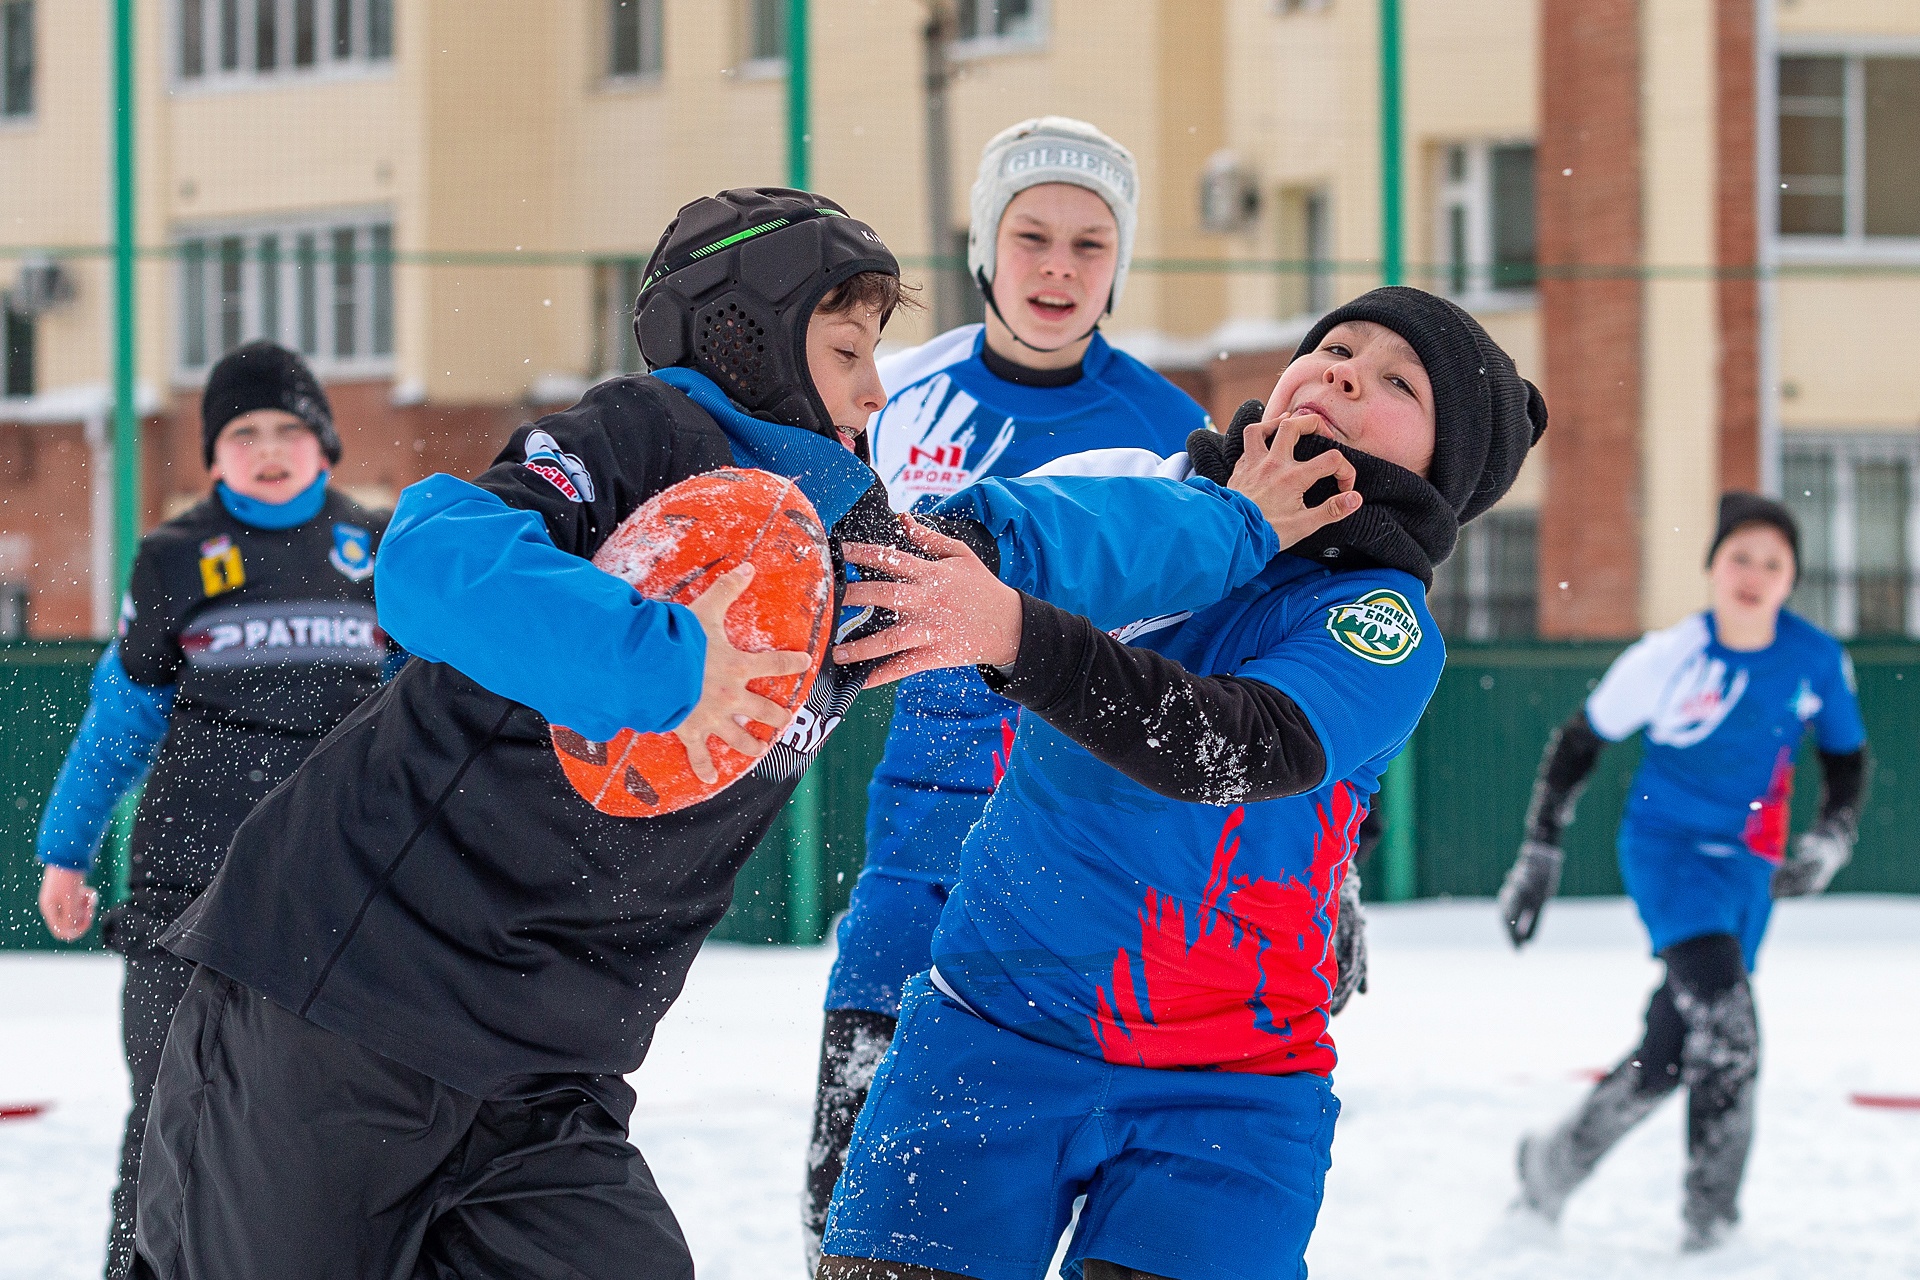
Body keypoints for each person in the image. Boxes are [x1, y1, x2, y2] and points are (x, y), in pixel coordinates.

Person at [127, 188, 1322, 1280]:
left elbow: (1033, 534)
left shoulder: (852, 549)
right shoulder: (642, 441)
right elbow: (434, 555)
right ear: (745, 335)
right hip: (335, 1002)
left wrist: (1233, 524)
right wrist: (664, 663)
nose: (876, 392)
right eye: (848, 350)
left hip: (550, 1074)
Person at [814, 286, 1548, 1280]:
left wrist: (1013, 633)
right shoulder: (1141, 480)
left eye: (1396, 381)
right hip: (992, 1023)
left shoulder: (1384, 622)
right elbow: (992, 538)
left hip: (1231, 1085)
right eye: (1335, 345)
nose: (1343, 370)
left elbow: (1228, 747)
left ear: (1439, 467)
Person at [805, 116, 1211, 1264]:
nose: (1059, 267)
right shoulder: (893, 395)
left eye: (1092, 243)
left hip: (1080, 878)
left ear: (1120, 266)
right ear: (985, 247)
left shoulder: (1171, 435)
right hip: (916, 850)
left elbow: (1225, 661)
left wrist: (1332, 869)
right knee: (855, 1212)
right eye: (1032, 234)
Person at [31, 341, 391, 1280]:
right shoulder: (174, 559)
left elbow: (425, 719)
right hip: (185, 889)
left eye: (288, 428)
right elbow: (121, 721)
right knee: (165, 1118)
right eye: (243, 433)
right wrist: (66, 852)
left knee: (323, 1122)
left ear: (324, 441)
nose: (268, 449)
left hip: (335, 888)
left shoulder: (380, 552)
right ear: (212, 453)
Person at [1497, 491, 1869, 1253]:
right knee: (1730, 1031)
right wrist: (1542, 850)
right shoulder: (1671, 658)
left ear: (1792, 578)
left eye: (1773, 561)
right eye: (1740, 557)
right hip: (1670, 857)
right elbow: (1578, 743)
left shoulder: (1816, 660)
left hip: (1750, 872)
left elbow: (1846, 760)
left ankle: (1552, 1164)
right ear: (1712, 568)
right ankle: (1712, 1226)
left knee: (1671, 1050)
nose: (1754, 574)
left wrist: (1831, 839)